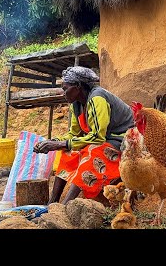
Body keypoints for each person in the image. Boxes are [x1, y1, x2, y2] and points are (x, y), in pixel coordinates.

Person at [33, 66, 134, 204]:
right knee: (67, 153)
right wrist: (54, 142)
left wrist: (59, 144)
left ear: (78, 86)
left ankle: (65, 205)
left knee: (91, 152)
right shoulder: (76, 105)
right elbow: (73, 134)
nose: (63, 93)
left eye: (65, 88)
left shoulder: (97, 98)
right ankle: (52, 202)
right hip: (104, 139)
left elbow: (98, 136)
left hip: (123, 139)